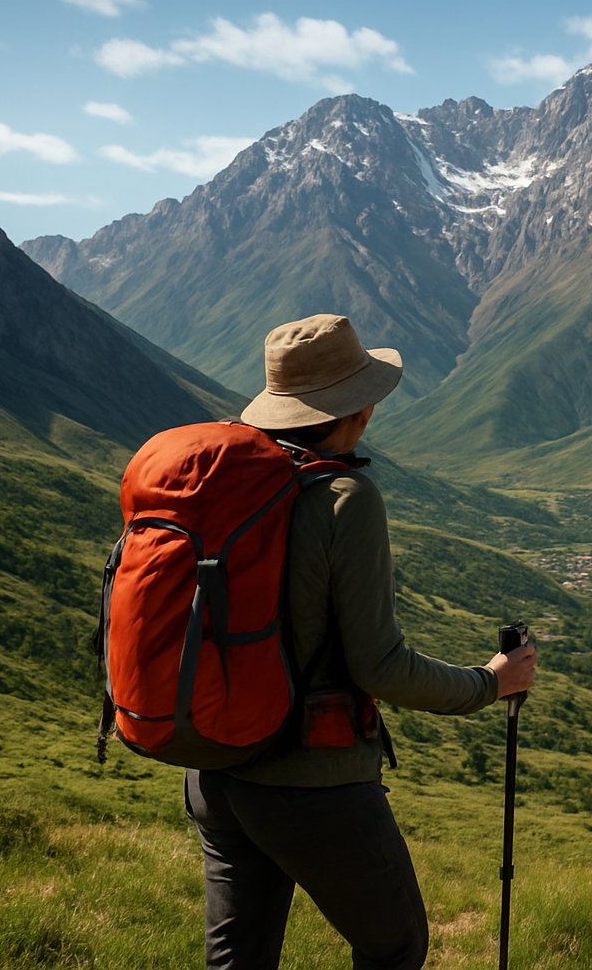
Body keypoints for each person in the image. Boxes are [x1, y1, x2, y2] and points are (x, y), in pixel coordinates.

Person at [183, 313, 537, 970]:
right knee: (395, 945)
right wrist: (492, 681)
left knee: (237, 959)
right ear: (358, 409)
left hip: (213, 769)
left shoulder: (221, 486)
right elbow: (380, 666)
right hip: (311, 782)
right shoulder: (344, 495)